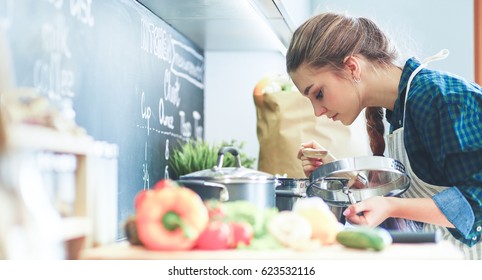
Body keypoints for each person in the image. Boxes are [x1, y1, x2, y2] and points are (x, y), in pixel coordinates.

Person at [286, 12, 482, 259]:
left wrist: (391, 206)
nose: (317, 111)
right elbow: (422, 196)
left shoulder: (439, 99)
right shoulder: (398, 110)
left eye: (319, 94)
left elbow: (476, 202)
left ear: (351, 67)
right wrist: (344, 175)